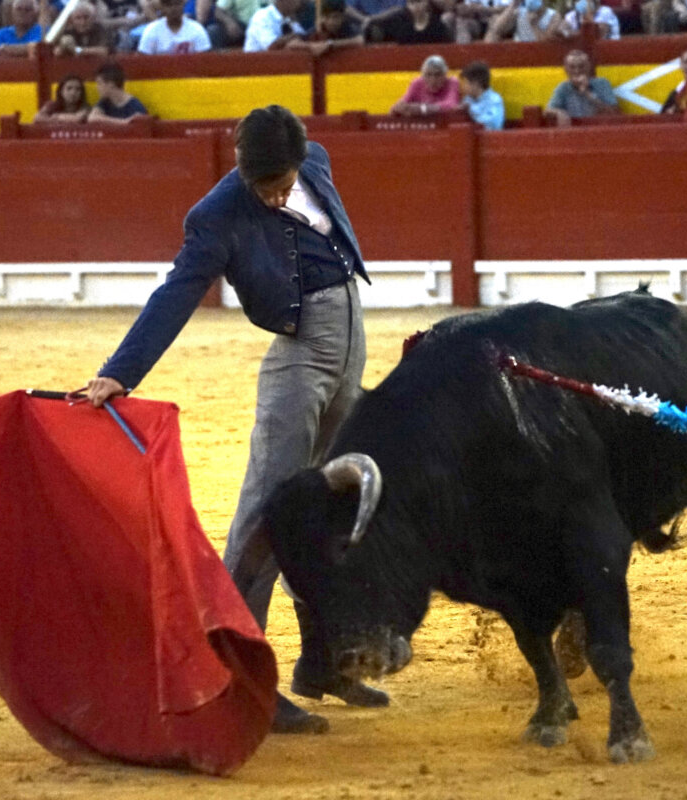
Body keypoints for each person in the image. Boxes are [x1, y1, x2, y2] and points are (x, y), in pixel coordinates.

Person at [83, 105, 375, 735]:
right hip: (299, 361)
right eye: (260, 183)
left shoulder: (315, 161)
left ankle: (322, 662)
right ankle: (241, 676)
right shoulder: (217, 214)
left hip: (352, 347)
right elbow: (178, 291)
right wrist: (121, 371)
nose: (272, 194)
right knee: (270, 512)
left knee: (332, 510)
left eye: (281, 181)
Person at [545, 49, 618, 126]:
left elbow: (615, 114)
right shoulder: (563, 87)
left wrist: (588, 94)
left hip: (599, 129)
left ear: (589, 67)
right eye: (572, 67)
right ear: (566, 70)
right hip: (574, 131)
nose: (577, 71)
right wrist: (559, 112)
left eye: (581, 66)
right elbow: (548, 110)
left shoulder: (602, 83)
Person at [390, 54, 461, 117]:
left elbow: (451, 105)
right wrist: (399, 108)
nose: (433, 80)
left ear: (445, 75)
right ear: (423, 76)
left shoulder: (452, 82)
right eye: (428, 75)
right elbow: (402, 105)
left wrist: (423, 108)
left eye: (438, 75)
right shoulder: (417, 83)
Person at [287, 0, 363, 55]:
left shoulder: (346, 26)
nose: (331, 21)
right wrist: (311, 46)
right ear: (322, 18)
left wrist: (330, 44)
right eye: (327, 17)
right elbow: (291, 44)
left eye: (335, 17)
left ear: (342, 17)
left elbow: (359, 40)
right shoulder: (319, 28)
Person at [137, 0, 212, 53]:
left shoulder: (197, 29)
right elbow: (142, 60)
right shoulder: (151, 30)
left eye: (177, 3)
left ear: (183, 5)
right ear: (162, 7)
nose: (173, 8)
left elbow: (205, 61)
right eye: (169, 5)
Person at [365, 0, 452, 43]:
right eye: (412, 3)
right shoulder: (398, 22)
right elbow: (374, 30)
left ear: (426, 2)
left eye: (419, 2)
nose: (416, 6)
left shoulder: (437, 24)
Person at [484, 0, 562, 42]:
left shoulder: (554, 16)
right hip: (519, 49)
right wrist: (513, 5)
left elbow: (545, 40)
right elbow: (498, 29)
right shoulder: (520, 11)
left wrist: (533, 24)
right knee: (492, 35)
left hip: (539, 53)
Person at [460, 59, 504, 131]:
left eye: (466, 83)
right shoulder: (467, 99)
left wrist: (470, 110)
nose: (463, 87)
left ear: (476, 83)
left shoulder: (494, 100)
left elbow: (492, 124)